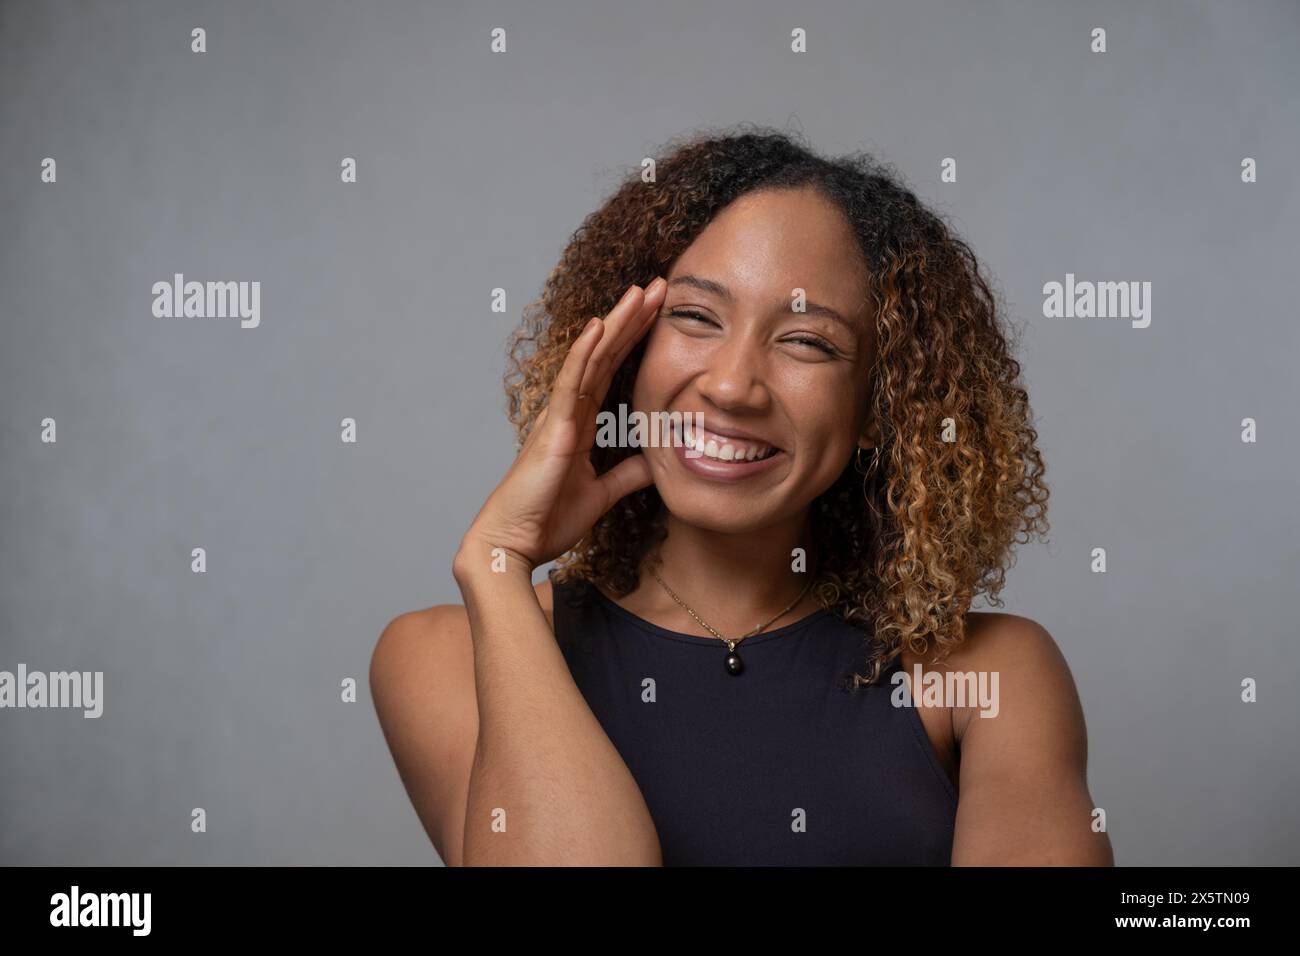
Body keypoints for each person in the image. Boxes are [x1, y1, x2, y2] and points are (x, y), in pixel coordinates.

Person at [371, 127, 1114, 866]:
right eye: (695, 318)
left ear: (876, 411)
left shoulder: (989, 676)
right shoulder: (446, 657)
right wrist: (498, 564)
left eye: (806, 342)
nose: (731, 385)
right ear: (628, 355)